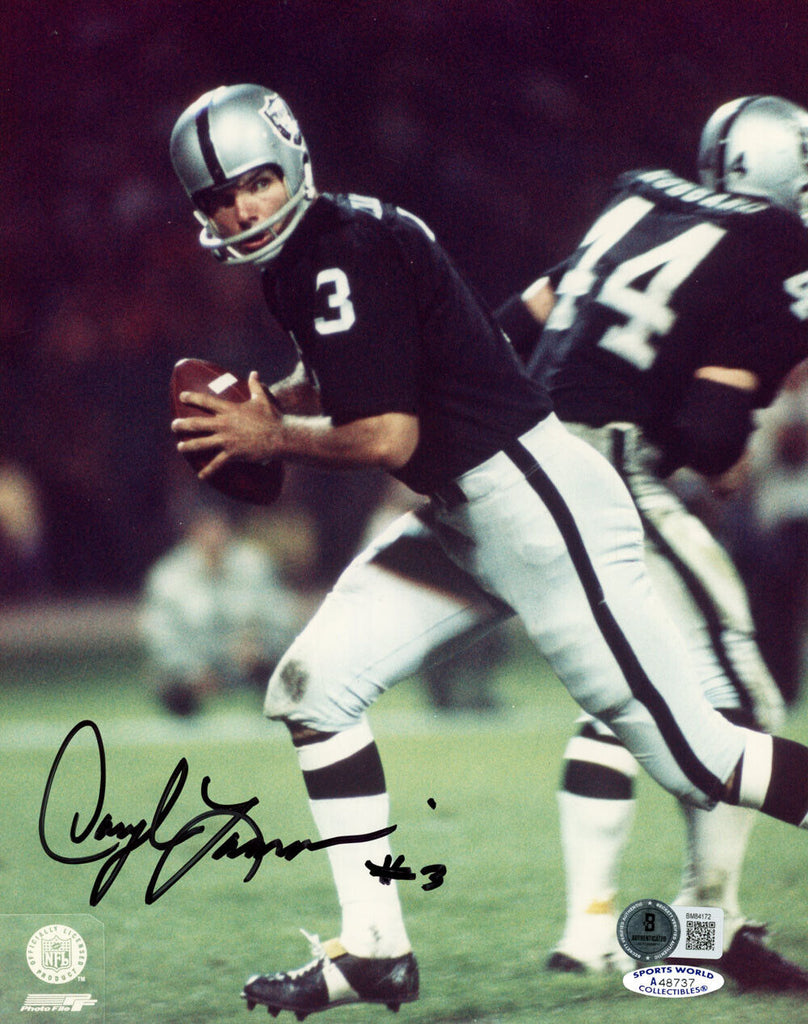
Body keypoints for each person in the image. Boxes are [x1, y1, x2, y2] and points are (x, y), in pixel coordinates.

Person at [168, 85, 808, 1018]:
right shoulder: (315, 251)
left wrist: (274, 436)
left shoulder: (346, 248)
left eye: (256, 183)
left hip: (540, 509)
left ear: (294, 162)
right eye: (219, 198)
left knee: (702, 760)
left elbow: (386, 435)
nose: (242, 210)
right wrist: (283, 399)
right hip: (466, 513)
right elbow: (363, 370)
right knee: (312, 688)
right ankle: (374, 951)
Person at [494, 96, 808, 990]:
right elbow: (710, 435)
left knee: (621, 696)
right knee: (739, 692)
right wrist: (723, 447)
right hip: (608, 476)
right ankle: (707, 924)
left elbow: (511, 324)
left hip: (516, 464)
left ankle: (588, 931)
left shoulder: (641, 206)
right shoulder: (776, 246)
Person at [140, 503, 301, 716]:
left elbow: (281, 614)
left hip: (250, 663)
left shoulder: (255, 564)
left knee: (292, 672)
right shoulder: (168, 575)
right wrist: (191, 669)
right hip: (197, 666)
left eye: (218, 528)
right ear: (191, 533)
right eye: (205, 528)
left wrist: (261, 646)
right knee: (164, 682)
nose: (213, 536)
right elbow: (160, 634)